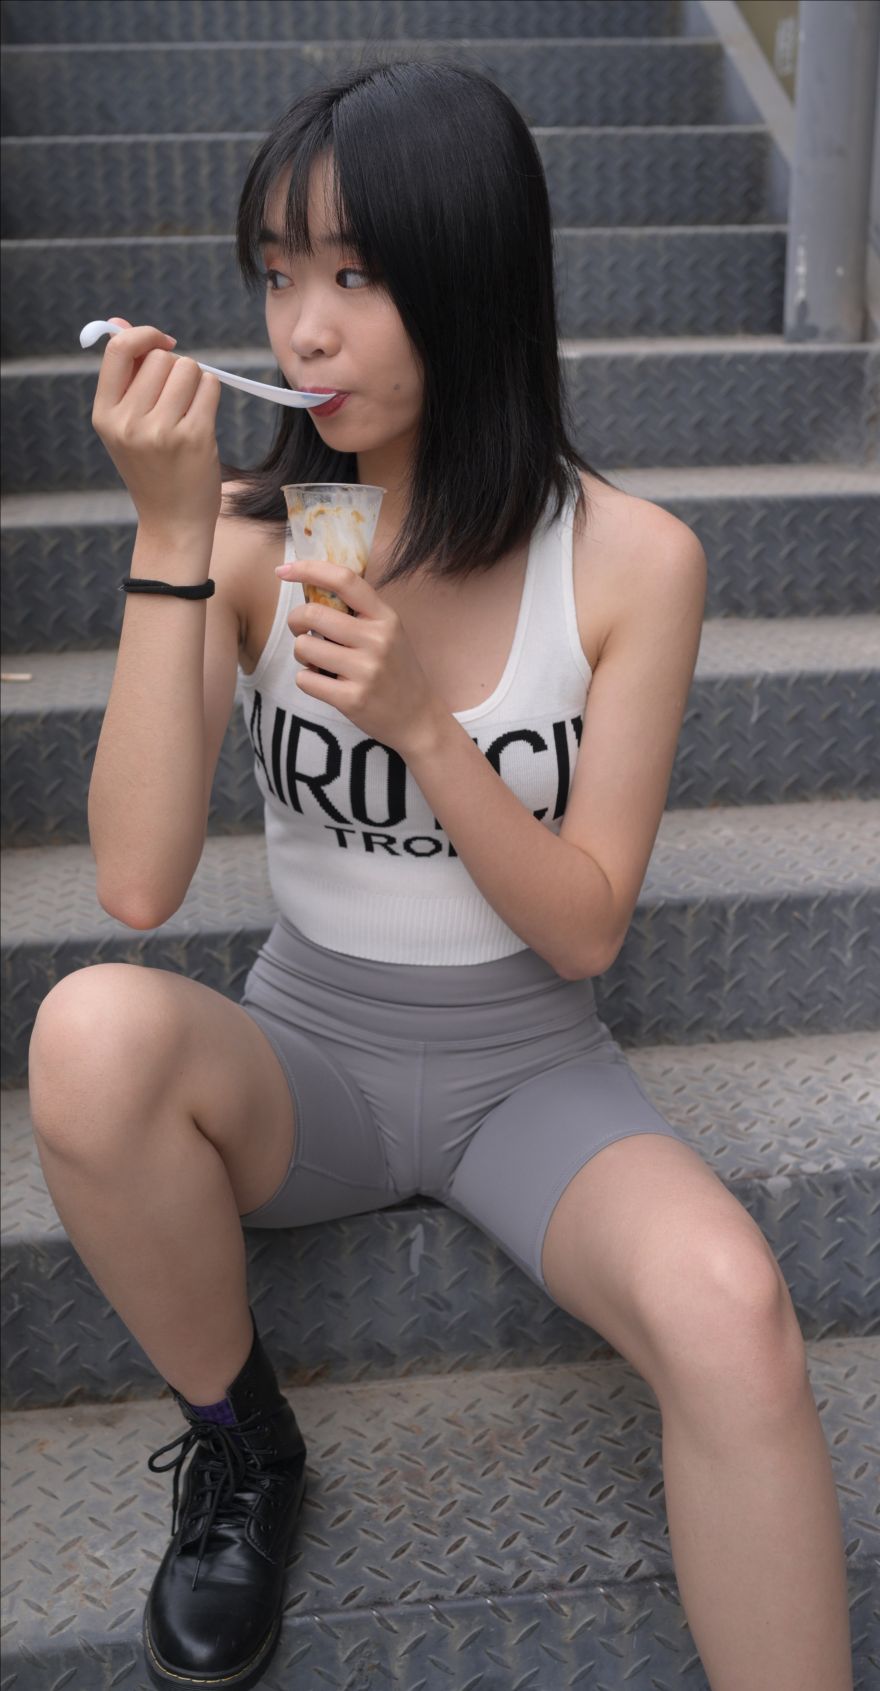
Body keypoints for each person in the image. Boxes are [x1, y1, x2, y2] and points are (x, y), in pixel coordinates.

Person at [27, 55, 853, 1691]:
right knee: (89, 1031)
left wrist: (424, 726)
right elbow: (134, 883)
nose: (303, 332)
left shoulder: (629, 560)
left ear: (473, 278)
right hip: (310, 1062)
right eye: (279, 276)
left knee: (736, 1312)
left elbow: (586, 926)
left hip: (530, 1074)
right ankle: (245, 1448)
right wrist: (172, 536)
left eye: (355, 276)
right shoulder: (273, 536)